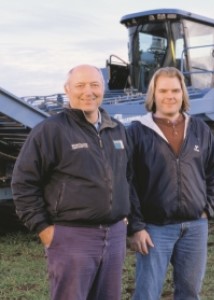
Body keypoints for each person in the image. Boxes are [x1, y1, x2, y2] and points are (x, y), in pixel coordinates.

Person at [11, 64, 130, 300]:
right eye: (80, 85)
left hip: (115, 236)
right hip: (72, 237)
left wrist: (126, 214)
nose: (88, 91)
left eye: (95, 85)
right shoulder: (51, 130)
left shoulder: (116, 129)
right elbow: (23, 183)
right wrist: (44, 229)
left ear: (103, 88)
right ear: (67, 89)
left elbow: (127, 176)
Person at [127, 67, 214, 300]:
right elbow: (127, 182)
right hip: (154, 229)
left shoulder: (200, 129)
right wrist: (136, 227)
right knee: (147, 293)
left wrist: (206, 209)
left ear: (183, 94)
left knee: (190, 292)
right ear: (153, 95)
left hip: (195, 227)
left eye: (175, 90)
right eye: (163, 90)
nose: (170, 96)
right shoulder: (137, 132)